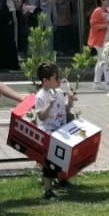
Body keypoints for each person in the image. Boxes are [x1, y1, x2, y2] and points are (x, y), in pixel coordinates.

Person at [33, 61, 76, 200]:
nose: (58, 81)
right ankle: (48, 190)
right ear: (45, 81)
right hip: (48, 132)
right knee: (50, 163)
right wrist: (49, 104)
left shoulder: (58, 92)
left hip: (60, 130)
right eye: (55, 78)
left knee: (63, 157)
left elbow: (66, 108)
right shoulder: (41, 96)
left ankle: (61, 179)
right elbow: (41, 116)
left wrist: (70, 100)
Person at [88, 0, 109, 87]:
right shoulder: (97, 11)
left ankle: (97, 82)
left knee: (101, 60)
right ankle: (108, 82)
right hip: (100, 40)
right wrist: (106, 26)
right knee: (106, 60)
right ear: (101, 1)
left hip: (106, 39)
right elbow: (94, 25)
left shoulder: (107, 11)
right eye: (107, 0)